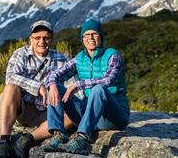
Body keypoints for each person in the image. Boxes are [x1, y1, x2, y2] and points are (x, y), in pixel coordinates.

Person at [44, 18, 130, 155]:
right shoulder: (80, 58)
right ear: (82, 38)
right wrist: (52, 84)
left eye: (94, 34)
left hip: (113, 116)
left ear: (100, 37)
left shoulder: (112, 56)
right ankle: (58, 134)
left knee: (99, 88)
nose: (90, 37)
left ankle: (82, 138)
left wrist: (78, 85)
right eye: (86, 34)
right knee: (56, 88)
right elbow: (53, 75)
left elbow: (108, 80)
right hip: (89, 115)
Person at [0, 20, 72, 158]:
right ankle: (4, 142)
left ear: (51, 39)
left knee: (73, 115)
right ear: (31, 39)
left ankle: (27, 139)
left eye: (46, 38)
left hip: (48, 112)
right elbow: (10, 77)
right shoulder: (20, 54)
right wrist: (38, 87)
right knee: (10, 88)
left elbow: (71, 86)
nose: (41, 41)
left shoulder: (61, 59)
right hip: (22, 109)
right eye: (37, 38)